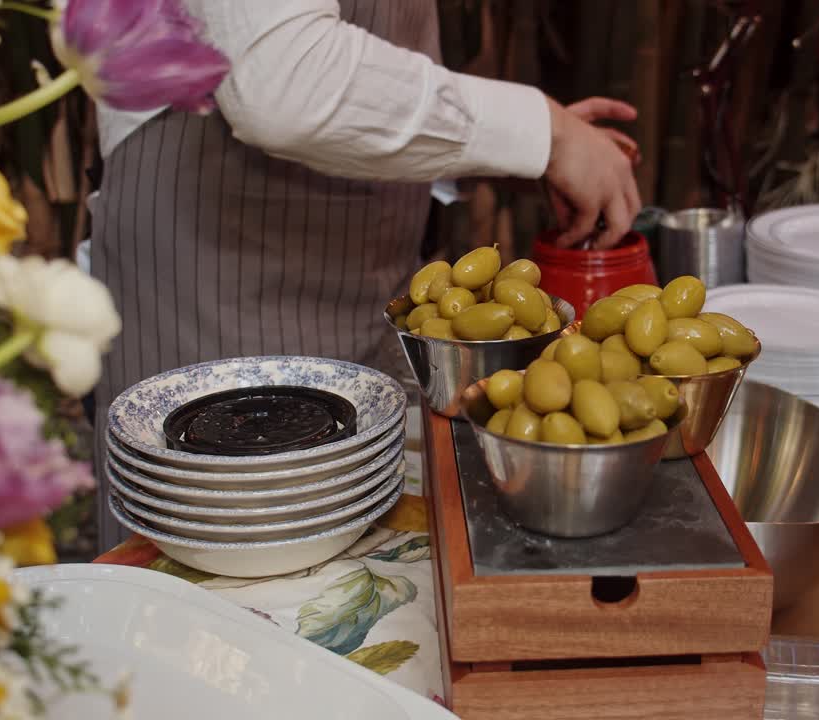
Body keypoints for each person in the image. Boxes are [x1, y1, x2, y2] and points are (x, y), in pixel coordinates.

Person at [89, 0, 642, 548]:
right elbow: (285, 81)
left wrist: (496, 151)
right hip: (219, 267)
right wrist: (543, 131)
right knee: (214, 558)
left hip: (352, 276)